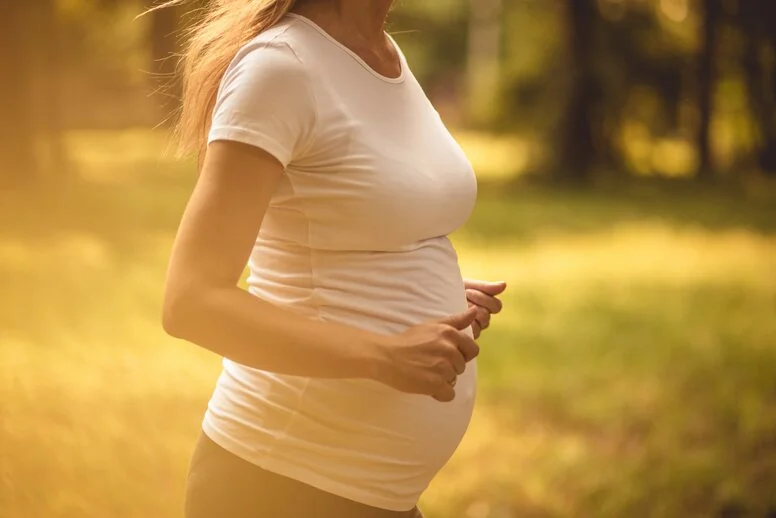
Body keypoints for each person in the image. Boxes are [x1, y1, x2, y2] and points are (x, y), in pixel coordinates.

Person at [159, 0, 507, 516]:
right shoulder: (280, 67)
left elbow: (361, 219)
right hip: (282, 483)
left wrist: (418, 292)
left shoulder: (382, 54)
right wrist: (384, 353)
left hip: (375, 495)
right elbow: (190, 301)